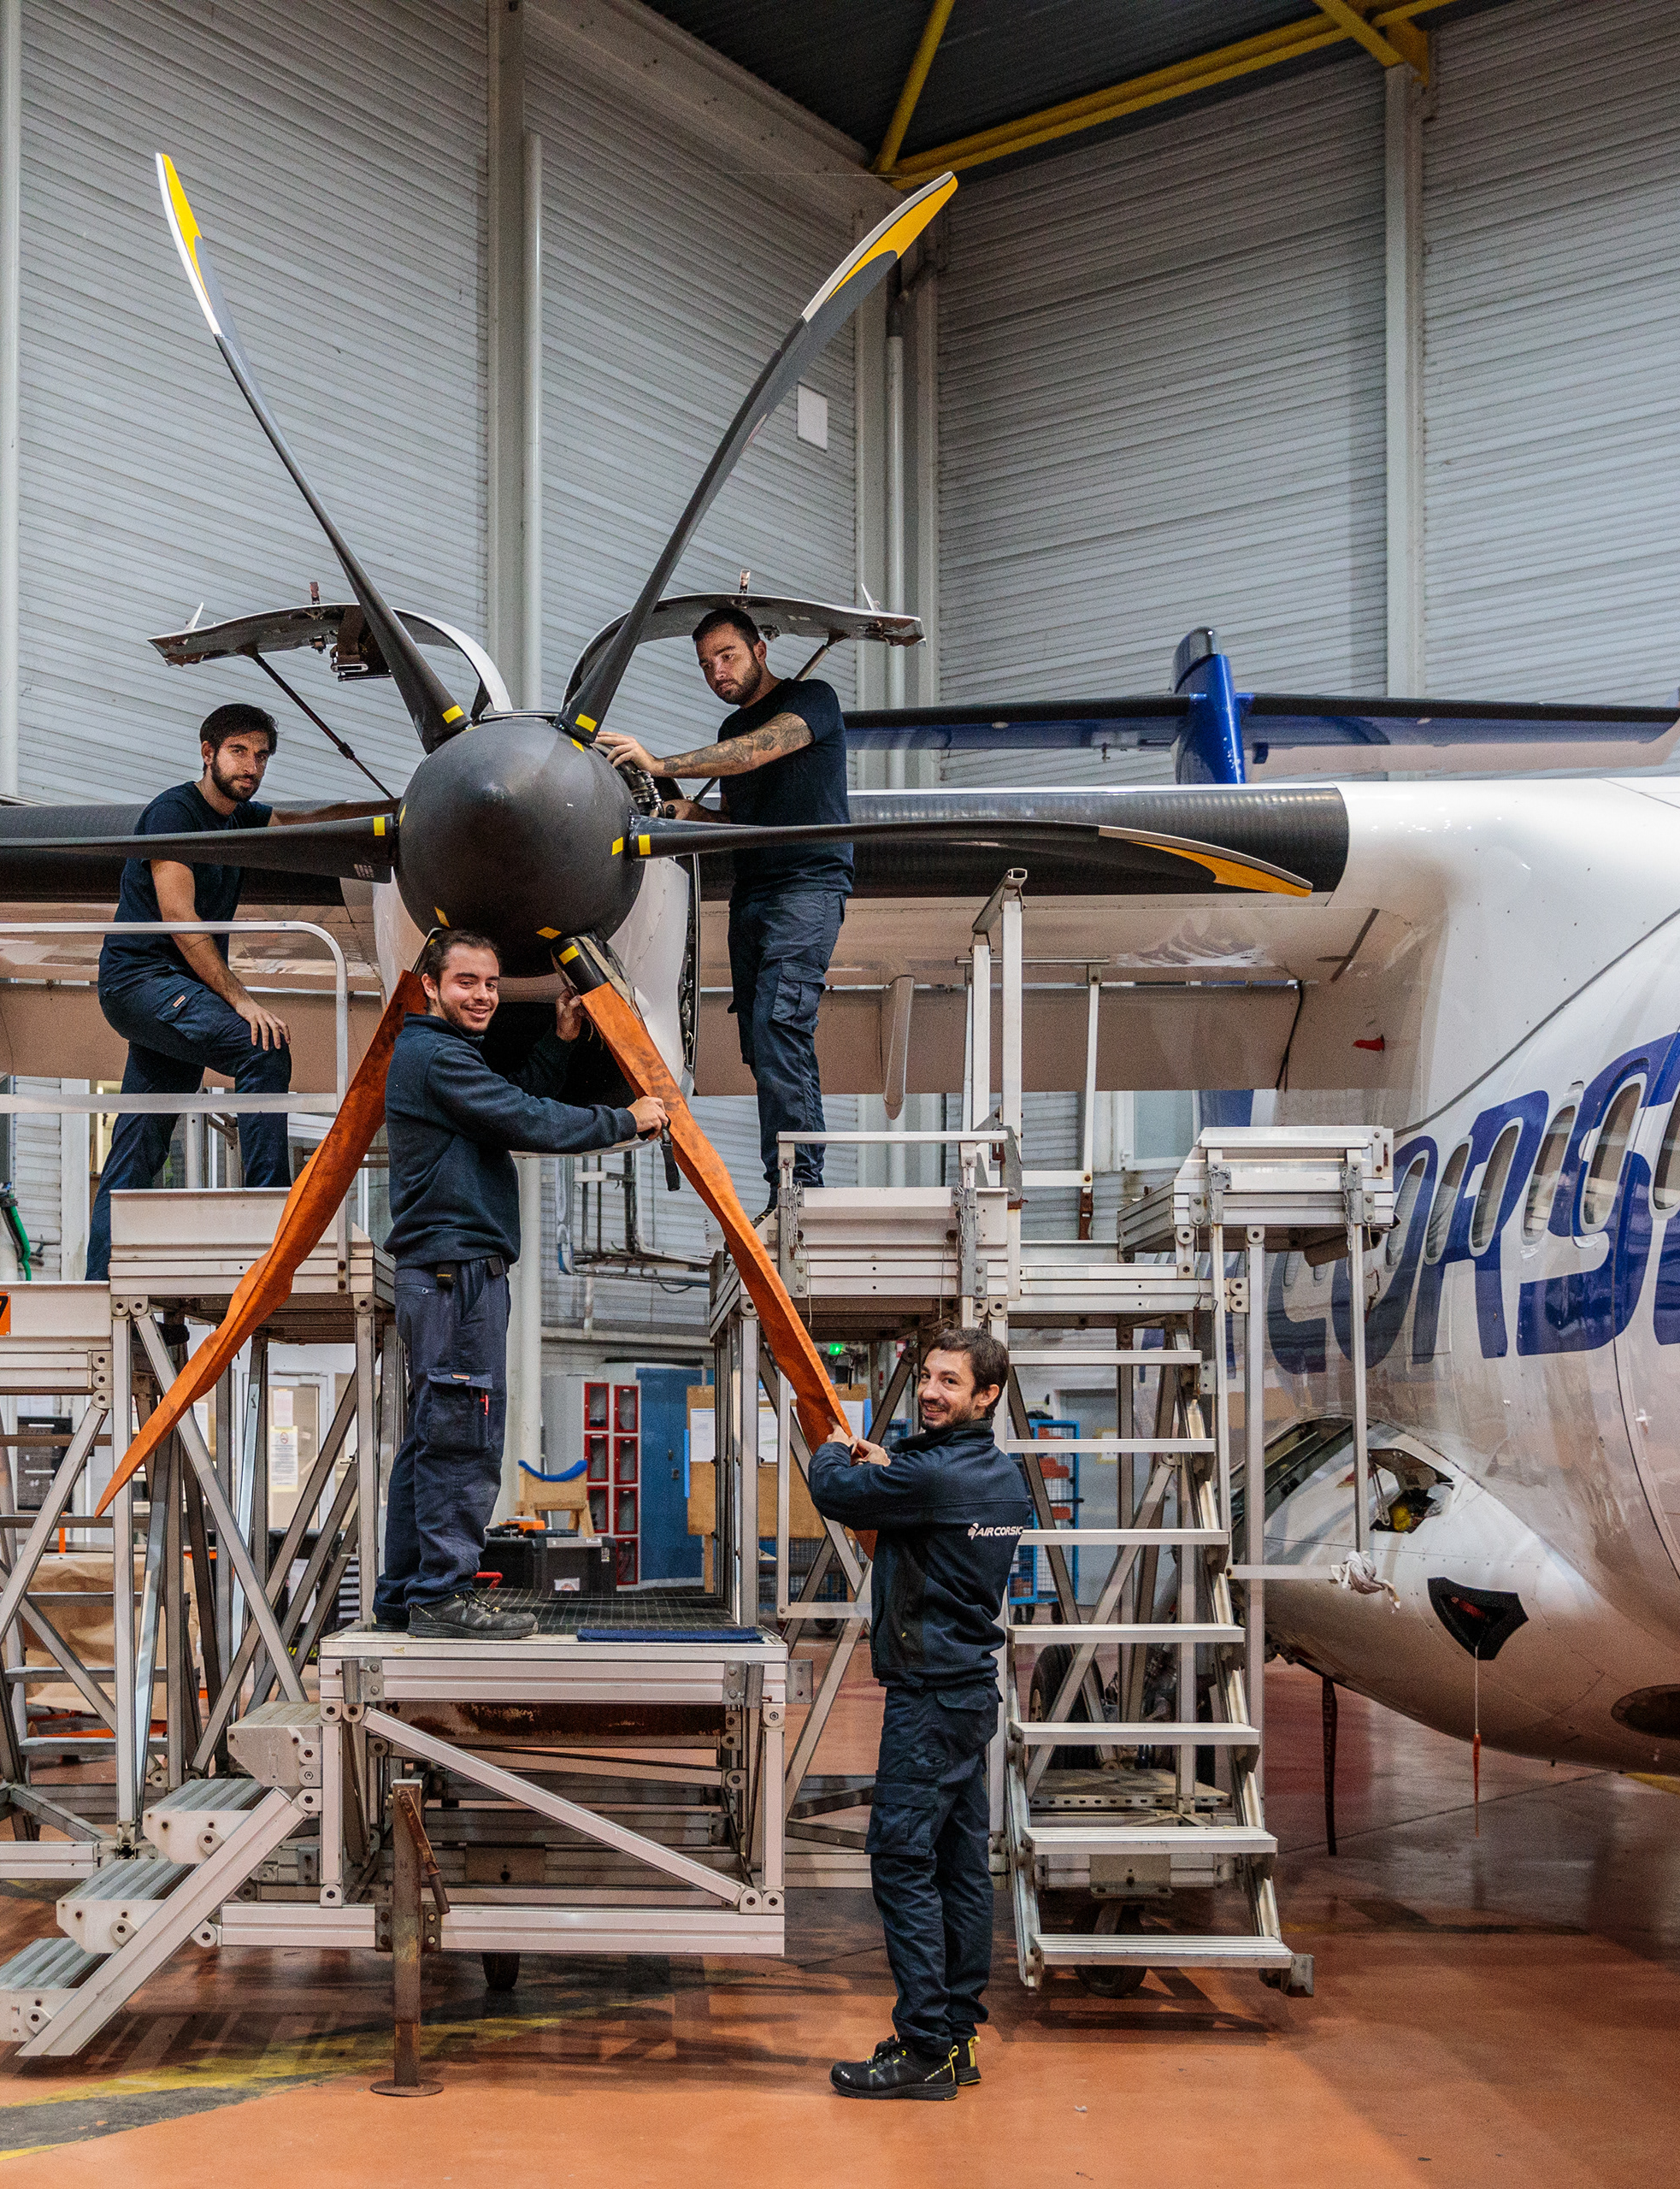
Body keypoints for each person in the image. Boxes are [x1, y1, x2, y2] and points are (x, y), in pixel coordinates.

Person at [379, 929, 669, 1640]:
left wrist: (563, 1040)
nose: (481, 996)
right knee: (460, 1434)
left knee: (431, 1439)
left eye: (491, 985)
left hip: (450, 1272)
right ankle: (443, 1595)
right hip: (456, 1277)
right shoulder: (434, 1055)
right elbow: (524, 1118)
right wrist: (624, 1121)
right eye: (465, 982)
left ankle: (407, 1594)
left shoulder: (446, 1060)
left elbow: (508, 1101)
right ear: (428, 986)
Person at [804, 1324, 1026, 2099]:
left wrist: (836, 1445)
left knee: (902, 1861)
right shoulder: (997, 1477)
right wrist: (889, 1463)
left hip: (930, 1702)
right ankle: (957, 2037)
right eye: (928, 1377)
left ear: (987, 1395)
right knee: (960, 1868)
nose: (931, 1392)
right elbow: (925, 1496)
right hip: (970, 1693)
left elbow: (833, 1492)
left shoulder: (933, 1477)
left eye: (950, 1383)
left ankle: (924, 2045)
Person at [590, 605, 851, 1204]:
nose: (716, 671)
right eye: (706, 664)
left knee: (779, 1023)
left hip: (807, 886)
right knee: (761, 1044)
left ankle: (799, 1186)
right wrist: (694, 815)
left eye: (727, 655)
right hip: (753, 894)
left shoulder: (813, 699)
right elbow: (739, 817)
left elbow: (757, 752)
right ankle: (786, 1179)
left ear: (761, 650)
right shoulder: (732, 732)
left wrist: (660, 763)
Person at [83, 704, 294, 1282]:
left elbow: (309, 822)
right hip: (142, 982)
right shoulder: (175, 811)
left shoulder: (240, 819)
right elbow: (179, 915)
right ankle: (273, 1226)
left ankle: (100, 1287)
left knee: (138, 1148)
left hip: (167, 993)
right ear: (208, 752)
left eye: (261, 756)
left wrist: (402, 812)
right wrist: (240, 999)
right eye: (238, 752)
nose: (250, 766)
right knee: (263, 1047)